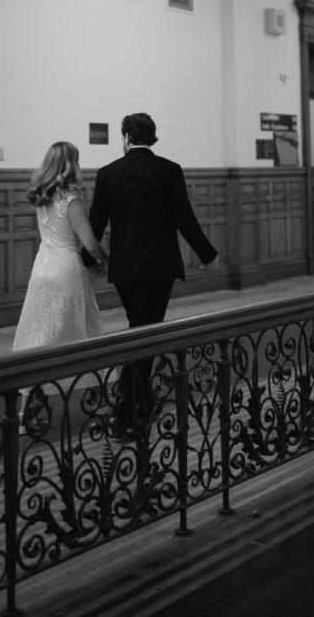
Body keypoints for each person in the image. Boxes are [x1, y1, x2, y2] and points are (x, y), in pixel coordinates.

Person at [87, 112, 218, 436]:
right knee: (145, 333)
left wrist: (88, 262)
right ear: (152, 137)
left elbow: (96, 222)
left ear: (126, 138)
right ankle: (127, 413)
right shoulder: (169, 170)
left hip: (125, 270)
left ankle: (137, 402)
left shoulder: (108, 173)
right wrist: (208, 255)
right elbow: (183, 218)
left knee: (139, 330)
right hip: (159, 268)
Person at [12, 141, 109, 409]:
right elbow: (88, 242)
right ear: (71, 164)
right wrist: (105, 259)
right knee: (86, 330)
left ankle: (31, 397)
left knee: (41, 333)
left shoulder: (42, 196)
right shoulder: (71, 198)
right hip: (66, 270)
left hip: (43, 267)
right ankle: (96, 390)